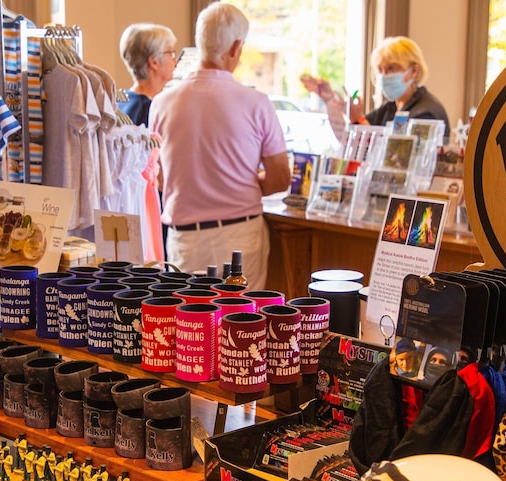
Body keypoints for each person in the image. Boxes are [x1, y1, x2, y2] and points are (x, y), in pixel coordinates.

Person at [150, 2, 291, 289]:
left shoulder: (161, 104)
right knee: (243, 326)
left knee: (187, 326)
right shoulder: (257, 104)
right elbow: (280, 178)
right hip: (240, 234)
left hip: (185, 238)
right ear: (236, 47)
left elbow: (160, 177)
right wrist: (241, 184)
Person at [302, 36, 450, 143]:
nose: (384, 76)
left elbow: (394, 156)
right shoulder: (391, 108)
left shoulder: (426, 113)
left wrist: (358, 119)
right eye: (381, 70)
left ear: (414, 71)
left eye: (391, 68)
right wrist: (330, 101)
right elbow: (350, 140)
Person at [118, 23, 178, 126]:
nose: (175, 61)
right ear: (154, 62)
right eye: (171, 53)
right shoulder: (148, 110)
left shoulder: (121, 101)